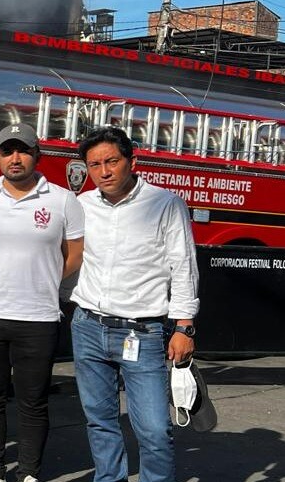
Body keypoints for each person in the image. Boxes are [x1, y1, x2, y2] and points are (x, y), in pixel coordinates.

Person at [71, 126, 198, 482]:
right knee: (100, 421)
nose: (104, 171)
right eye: (95, 165)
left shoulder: (164, 204)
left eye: (111, 161)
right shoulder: (82, 206)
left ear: (132, 160)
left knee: (155, 431)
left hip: (142, 333)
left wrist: (184, 327)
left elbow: (184, 267)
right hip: (88, 327)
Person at [0, 124, 84, 482]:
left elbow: (74, 255)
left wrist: (47, 283)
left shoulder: (63, 199)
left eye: (22, 150)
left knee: (32, 400)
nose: (15, 158)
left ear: (36, 155)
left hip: (38, 317)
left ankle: (29, 472)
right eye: (7, 151)